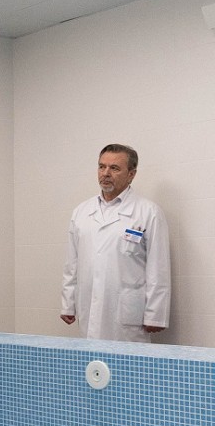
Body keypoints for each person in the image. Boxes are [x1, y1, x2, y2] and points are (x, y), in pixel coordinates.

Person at [60, 143, 171, 342]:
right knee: (92, 358)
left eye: (114, 168)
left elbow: (158, 267)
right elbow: (72, 264)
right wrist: (68, 303)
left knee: (129, 360)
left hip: (128, 314)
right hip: (89, 307)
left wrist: (155, 314)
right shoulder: (81, 212)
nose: (106, 173)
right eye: (101, 166)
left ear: (131, 174)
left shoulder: (148, 212)